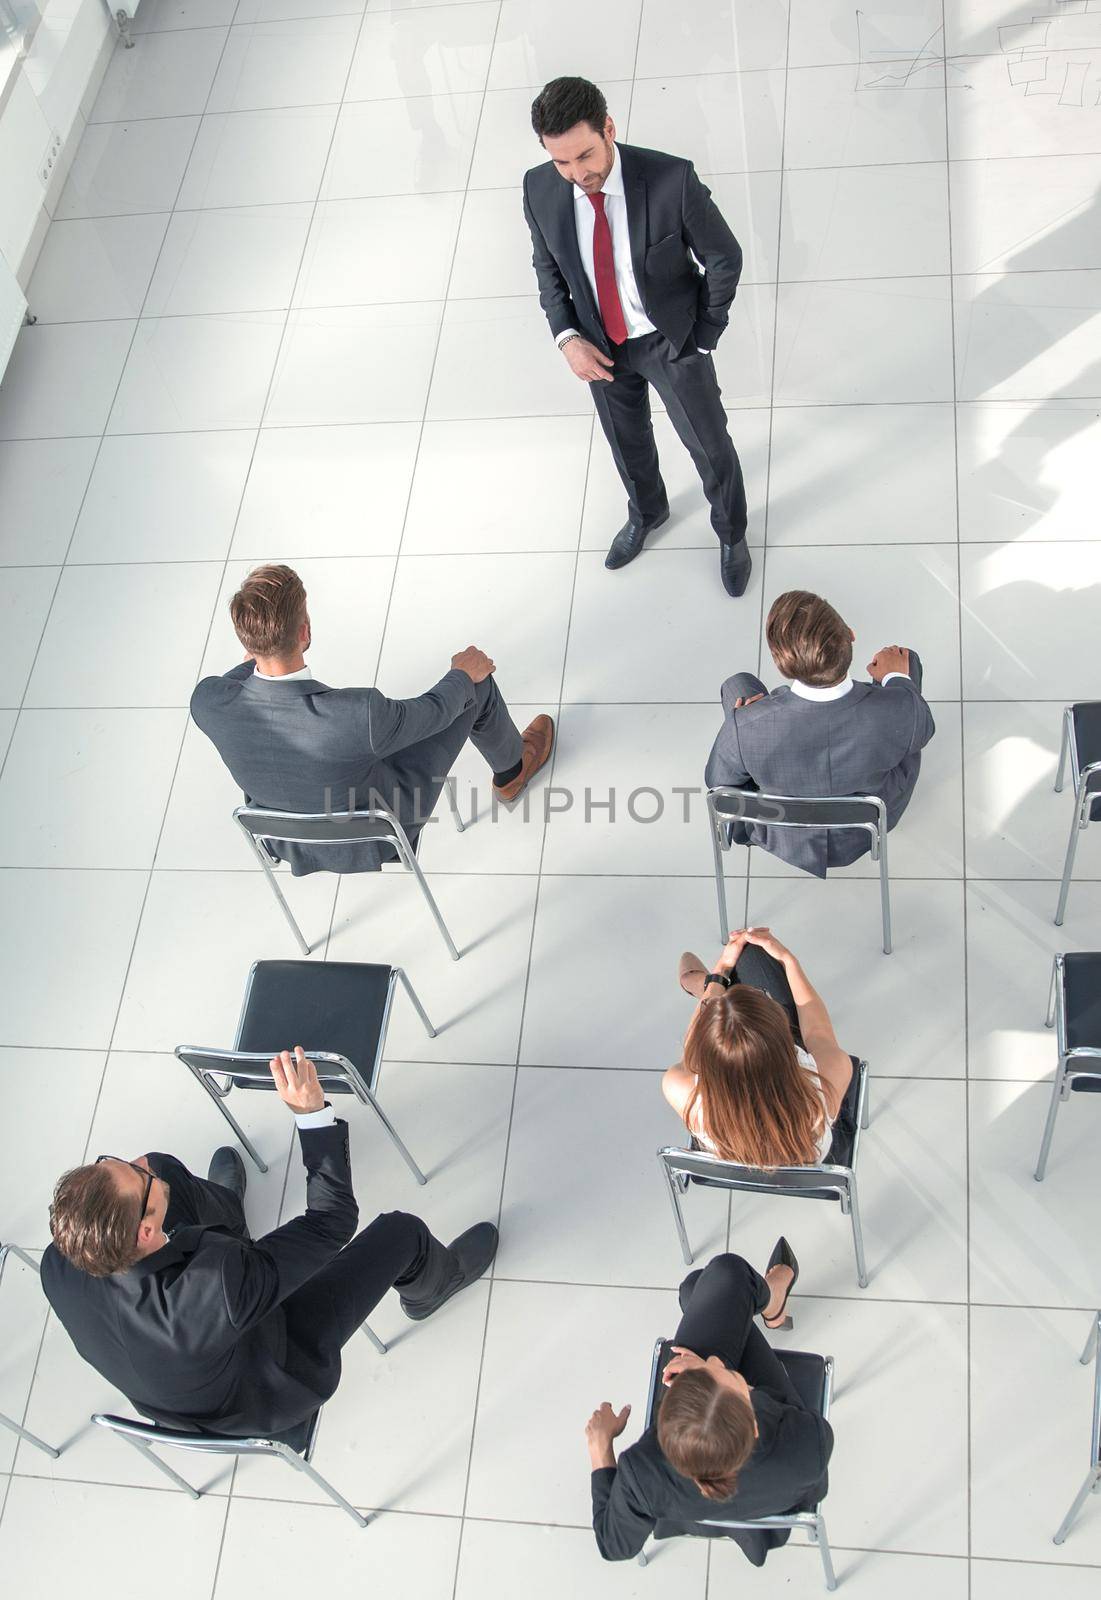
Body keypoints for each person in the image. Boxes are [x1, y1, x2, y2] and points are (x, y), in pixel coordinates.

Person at [41, 1049, 498, 1437]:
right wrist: (312, 1116)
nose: (139, 1163)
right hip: (265, 1379)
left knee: (168, 1169)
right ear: (145, 1233)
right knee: (402, 1232)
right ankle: (432, 1289)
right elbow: (331, 1222)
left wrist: (152, 1181)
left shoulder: (58, 1263)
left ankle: (229, 1217)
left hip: (175, 1371)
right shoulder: (218, 1282)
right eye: (137, 1174)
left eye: (113, 1163)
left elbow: (155, 1188)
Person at [522, 76, 751, 598]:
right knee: (626, 444)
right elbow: (547, 270)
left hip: (671, 338)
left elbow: (724, 258)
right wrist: (566, 337)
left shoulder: (671, 178)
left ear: (609, 128)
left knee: (708, 444)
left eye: (585, 155)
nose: (577, 174)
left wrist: (705, 335)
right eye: (562, 162)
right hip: (598, 342)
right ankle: (648, 512)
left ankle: (732, 535)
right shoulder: (539, 187)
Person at [190, 563, 555, 875]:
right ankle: (512, 772)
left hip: (283, 838)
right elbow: (435, 710)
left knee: (368, 744)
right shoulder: (357, 713)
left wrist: (258, 654)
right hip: (377, 836)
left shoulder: (207, 703)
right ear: (305, 632)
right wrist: (461, 673)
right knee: (475, 689)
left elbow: (236, 679)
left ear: (248, 643)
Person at [585, 1248, 833, 1565]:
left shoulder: (641, 1471)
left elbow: (613, 1545)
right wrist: (718, 1372)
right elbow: (804, 1429)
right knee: (725, 1275)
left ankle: (763, 1299)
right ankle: (773, 1300)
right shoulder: (809, 1445)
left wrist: (600, 1447)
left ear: (666, 1424)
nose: (715, 1360)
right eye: (726, 1373)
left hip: (694, 1507)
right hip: (780, 1490)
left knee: (699, 1288)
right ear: (754, 1422)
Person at [706, 589, 935, 875]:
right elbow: (926, 727)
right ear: (850, 635)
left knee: (737, 685)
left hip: (784, 832)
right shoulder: (901, 710)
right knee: (906, 666)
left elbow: (719, 785)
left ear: (783, 664)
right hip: (866, 825)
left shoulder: (746, 726)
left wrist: (751, 718)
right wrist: (897, 679)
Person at [662, 928, 853, 1168]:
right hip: (807, 1164)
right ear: (784, 1042)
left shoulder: (681, 1090)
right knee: (753, 955)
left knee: (738, 972)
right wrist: (787, 960)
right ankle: (705, 984)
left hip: (733, 1161)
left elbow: (691, 1049)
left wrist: (720, 971)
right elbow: (817, 1033)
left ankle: (705, 984)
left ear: (706, 1055)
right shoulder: (823, 1086)